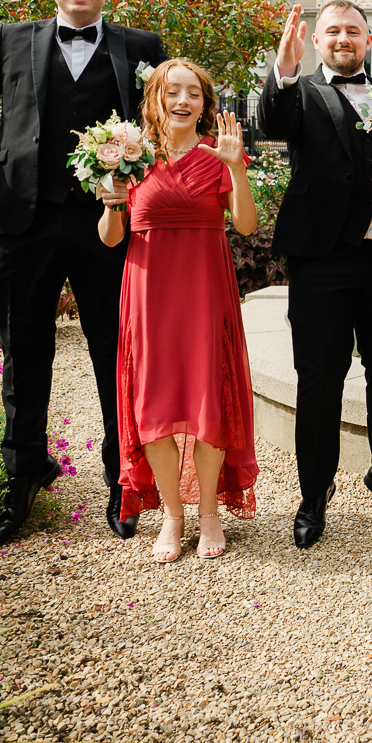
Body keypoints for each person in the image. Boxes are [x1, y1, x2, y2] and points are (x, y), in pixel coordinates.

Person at [0, 0, 166, 546]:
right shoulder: (11, 38)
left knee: (118, 354)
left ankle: (122, 479)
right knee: (22, 353)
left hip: (109, 224)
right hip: (20, 223)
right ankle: (24, 474)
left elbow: (170, 118)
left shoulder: (140, 47)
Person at [257, 0, 372, 546]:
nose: (342, 39)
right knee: (319, 380)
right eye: (332, 31)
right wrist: (282, 72)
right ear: (316, 41)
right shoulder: (300, 93)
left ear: (369, 39)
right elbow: (271, 122)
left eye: (352, 31)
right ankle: (314, 495)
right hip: (323, 259)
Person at [98, 61, 260, 561]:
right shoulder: (132, 158)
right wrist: (110, 203)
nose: (183, 100)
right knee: (154, 405)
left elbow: (248, 226)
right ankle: (172, 513)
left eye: (194, 92)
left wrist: (236, 169)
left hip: (205, 290)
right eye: (173, 91)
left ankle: (208, 511)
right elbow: (111, 239)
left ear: (205, 103)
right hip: (148, 293)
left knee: (209, 398)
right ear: (156, 99)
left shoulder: (218, 157)